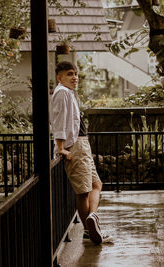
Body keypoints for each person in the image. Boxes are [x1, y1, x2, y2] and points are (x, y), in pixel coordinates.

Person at [50, 61, 112, 244]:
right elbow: (59, 120)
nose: (74, 77)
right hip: (76, 145)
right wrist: (60, 147)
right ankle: (88, 230)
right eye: (69, 74)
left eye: (75, 74)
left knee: (96, 184)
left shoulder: (68, 93)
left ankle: (92, 218)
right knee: (83, 192)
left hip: (82, 144)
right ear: (59, 77)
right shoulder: (61, 93)